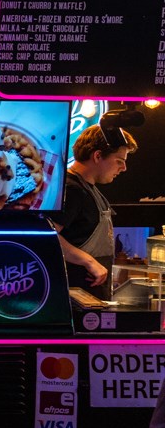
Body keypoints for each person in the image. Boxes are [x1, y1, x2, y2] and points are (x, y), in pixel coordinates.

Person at [52, 122, 136, 304]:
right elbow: (47, 234)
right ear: (97, 156)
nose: (124, 168)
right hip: (73, 299)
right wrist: (88, 261)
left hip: (89, 297)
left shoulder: (88, 189)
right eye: (119, 161)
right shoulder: (71, 190)